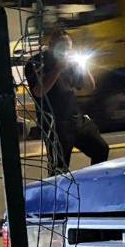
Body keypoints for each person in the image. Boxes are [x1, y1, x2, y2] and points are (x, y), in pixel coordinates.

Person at [26, 29, 109, 175]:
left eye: (68, 48)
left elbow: (89, 87)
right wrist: (57, 69)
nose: (65, 52)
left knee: (101, 149)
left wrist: (83, 66)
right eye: (61, 47)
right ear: (51, 45)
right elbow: (39, 91)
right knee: (59, 168)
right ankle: (57, 196)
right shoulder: (37, 62)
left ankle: (93, 183)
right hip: (55, 124)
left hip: (75, 119)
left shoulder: (70, 63)